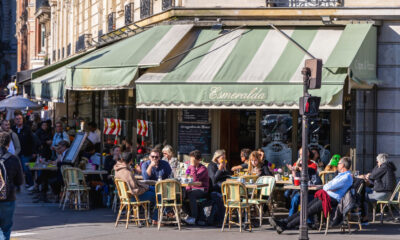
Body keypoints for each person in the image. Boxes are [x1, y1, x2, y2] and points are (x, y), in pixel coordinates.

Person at [270, 157, 353, 234]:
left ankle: (285, 226)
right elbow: (328, 186)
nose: (337, 165)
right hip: (325, 195)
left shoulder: (346, 177)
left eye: (339, 163)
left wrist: (328, 187)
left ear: (343, 165)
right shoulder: (341, 175)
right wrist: (328, 187)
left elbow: (328, 186)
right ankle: (283, 222)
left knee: (307, 212)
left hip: (331, 199)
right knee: (304, 210)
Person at [114, 152, 158, 224]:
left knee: (153, 189)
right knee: (158, 195)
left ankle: (153, 217)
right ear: (131, 161)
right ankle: (155, 219)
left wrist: (146, 187)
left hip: (125, 197)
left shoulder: (118, 169)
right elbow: (135, 190)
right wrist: (146, 188)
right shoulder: (127, 172)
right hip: (133, 197)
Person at [0, 131, 24, 240]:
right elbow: (19, 181)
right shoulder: (13, 159)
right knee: (6, 227)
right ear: (9, 144)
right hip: (8, 197)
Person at [12, 112, 36, 189]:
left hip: (25, 152)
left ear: (22, 119)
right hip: (15, 152)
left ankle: (31, 183)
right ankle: (17, 185)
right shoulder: (12, 129)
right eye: (17, 119)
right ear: (14, 120)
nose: (18, 120)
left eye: (20, 119)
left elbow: (33, 140)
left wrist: (34, 152)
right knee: (16, 169)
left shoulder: (27, 128)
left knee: (26, 169)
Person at [184, 150, 209, 225]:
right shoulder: (190, 167)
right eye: (191, 159)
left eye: (193, 159)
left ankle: (194, 217)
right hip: (192, 188)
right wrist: (188, 170)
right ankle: (190, 215)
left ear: (199, 160)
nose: (191, 161)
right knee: (181, 194)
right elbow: (187, 176)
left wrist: (192, 166)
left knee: (191, 194)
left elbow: (194, 179)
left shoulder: (203, 169)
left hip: (202, 190)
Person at [207, 149, 230, 226]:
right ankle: (220, 220)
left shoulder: (224, 164)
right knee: (219, 198)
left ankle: (224, 219)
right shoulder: (211, 165)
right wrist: (220, 169)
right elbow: (213, 180)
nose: (224, 159)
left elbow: (228, 176)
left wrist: (225, 169)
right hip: (215, 189)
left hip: (225, 188)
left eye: (225, 157)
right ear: (217, 158)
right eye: (222, 158)